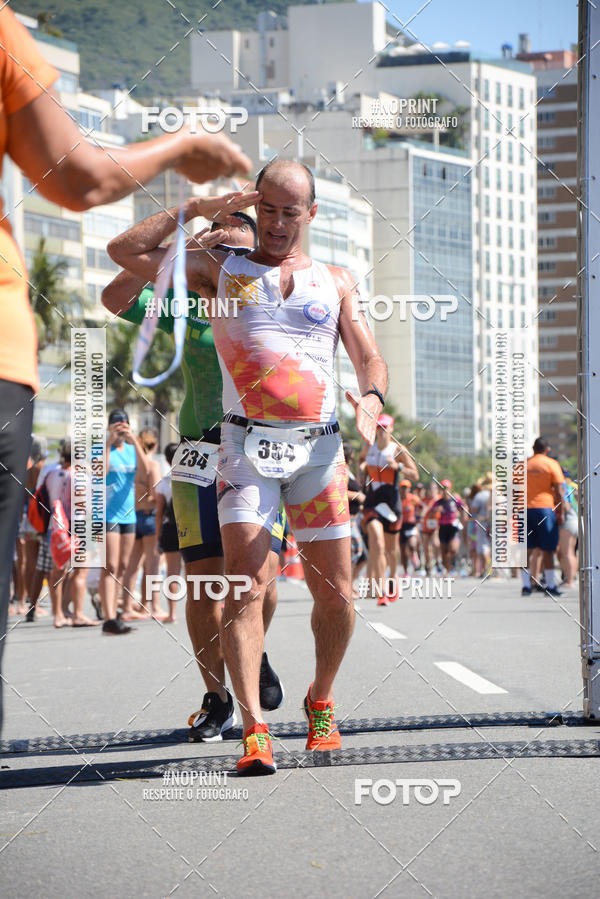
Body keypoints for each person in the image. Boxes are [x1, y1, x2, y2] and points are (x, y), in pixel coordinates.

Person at [108, 158, 391, 775]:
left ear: (310, 215)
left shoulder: (336, 280)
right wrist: (199, 210)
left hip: (318, 449)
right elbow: (122, 252)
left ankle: (321, 700)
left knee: (337, 591)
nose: (279, 222)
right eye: (268, 208)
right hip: (242, 448)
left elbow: (370, 359)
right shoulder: (221, 272)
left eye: (292, 211)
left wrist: (371, 400)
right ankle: (254, 729)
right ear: (254, 205)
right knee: (243, 582)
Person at [102, 197, 285, 742]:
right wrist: (187, 240)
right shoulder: (185, 304)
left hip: (258, 453)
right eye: (217, 246)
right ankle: (217, 696)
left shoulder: (272, 297)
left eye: (236, 248)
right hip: (196, 453)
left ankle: (251, 645)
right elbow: (114, 295)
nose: (225, 256)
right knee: (204, 584)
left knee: (261, 586)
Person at [359, 414, 417, 605]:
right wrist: (362, 471)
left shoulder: (398, 450)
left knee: (391, 551)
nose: (381, 431)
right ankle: (381, 589)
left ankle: (393, 578)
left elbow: (415, 474)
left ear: (391, 429)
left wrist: (398, 466)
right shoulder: (369, 447)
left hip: (392, 505)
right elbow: (361, 461)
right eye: (378, 427)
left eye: (384, 428)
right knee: (377, 542)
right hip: (373, 503)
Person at [100, 410, 149, 634]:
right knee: (110, 565)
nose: (121, 428)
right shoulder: (104, 449)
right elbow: (100, 471)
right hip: (107, 514)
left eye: (124, 425)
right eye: (116, 425)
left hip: (128, 514)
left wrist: (134, 440)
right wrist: (110, 441)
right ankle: (108, 617)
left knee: (122, 566)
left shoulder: (131, 450)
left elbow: (147, 471)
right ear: (110, 427)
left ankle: (116, 613)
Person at [120, 428, 163, 620]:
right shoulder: (152, 465)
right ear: (154, 445)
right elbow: (155, 494)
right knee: (152, 567)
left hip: (133, 515)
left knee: (132, 567)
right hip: (149, 515)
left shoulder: (132, 465)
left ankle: (130, 606)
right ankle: (154, 607)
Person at [522, 437, 564, 597]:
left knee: (527, 549)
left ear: (533, 449)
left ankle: (526, 586)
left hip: (524, 510)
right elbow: (560, 491)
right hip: (545, 509)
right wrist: (561, 512)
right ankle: (551, 585)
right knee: (548, 549)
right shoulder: (551, 464)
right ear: (547, 449)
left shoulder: (522, 465)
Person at [344, 442, 367, 598]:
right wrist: (357, 496)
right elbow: (340, 493)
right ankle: (346, 586)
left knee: (361, 555)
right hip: (348, 520)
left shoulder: (349, 471)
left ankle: (349, 584)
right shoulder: (342, 472)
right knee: (357, 553)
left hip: (356, 520)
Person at [431, 480, 466, 574]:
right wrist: (436, 510)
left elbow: (463, 508)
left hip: (453, 528)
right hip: (443, 527)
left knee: (453, 549)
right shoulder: (439, 502)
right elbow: (431, 512)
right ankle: (447, 570)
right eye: (442, 488)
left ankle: (451, 564)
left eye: (446, 488)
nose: (444, 490)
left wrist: (462, 516)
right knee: (444, 550)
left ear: (450, 488)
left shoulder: (455, 500)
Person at [398, 479, 423, 576]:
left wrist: (419, 517)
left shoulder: (413, 498)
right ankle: (405, 572)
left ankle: (415, 559)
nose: (404, 490)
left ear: (409, 489)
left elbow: (422, 506)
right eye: (402, 488)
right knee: (403, 552)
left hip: (411, 525)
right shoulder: (397, 498)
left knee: (412, 545)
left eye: (406, 488)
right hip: (400, 526)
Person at [557, 471, 578, 588]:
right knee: (570, 552)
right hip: (575, 518)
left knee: (567, 552)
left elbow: (565, 503)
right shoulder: (570, 486)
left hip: (568, 519)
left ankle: (570, 581)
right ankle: (570, 578)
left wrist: (562, 516)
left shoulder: (562, 485)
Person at [470, 474, 492, 578]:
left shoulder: (480, 495)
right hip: (498, 523)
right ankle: (486, 569)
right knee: (490, 546)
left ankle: (487, 569)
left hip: (483, 522)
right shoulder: (499, 494)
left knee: (484, 546)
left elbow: (473, 511)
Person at [421, 482, 441, 576]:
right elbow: (419, 510)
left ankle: (437, 560)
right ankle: (428, 566)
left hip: (436, 525)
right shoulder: (424, 500)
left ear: (437, 490)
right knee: (426, 548)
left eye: (434, 489)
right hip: (426, 526)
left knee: (436, 543)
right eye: (430, 489)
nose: (432, 491)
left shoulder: (439, 499)